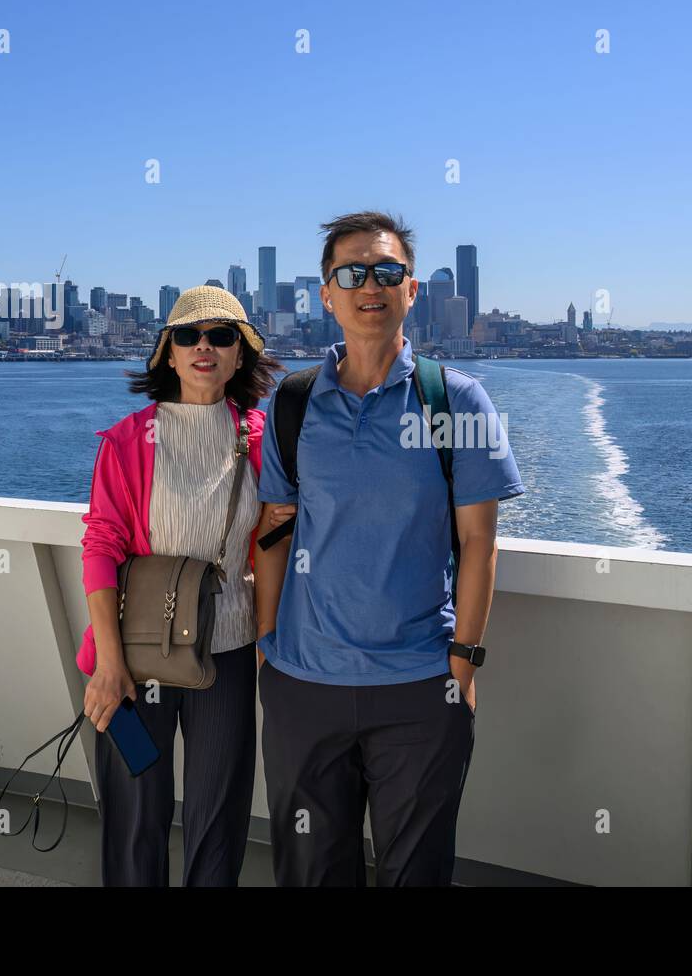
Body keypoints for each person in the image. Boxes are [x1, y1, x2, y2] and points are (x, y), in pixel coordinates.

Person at [253, 211, 525, 886]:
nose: (368, 284)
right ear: (326, 294)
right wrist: (268, 646)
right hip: (304, 684)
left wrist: (463, 659)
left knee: (416, 872)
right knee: (311, 872)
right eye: (350, 272)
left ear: (410, 290)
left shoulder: (457, 401)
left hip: (419, 688)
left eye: (387, 270)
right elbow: (274, 532)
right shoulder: (292, 404)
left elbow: (478, 543)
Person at [78, 285, 294, 886]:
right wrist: (108, 665)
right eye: (187, 337)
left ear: (239, 355)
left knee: (217, 815)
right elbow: (101, 547)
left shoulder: (259, 438)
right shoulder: (128, 440)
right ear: (167, 355)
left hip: (224, 656)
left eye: (221, 336)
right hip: (133, 658)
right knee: (134, 816)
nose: (204, 347)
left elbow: (268, 544)